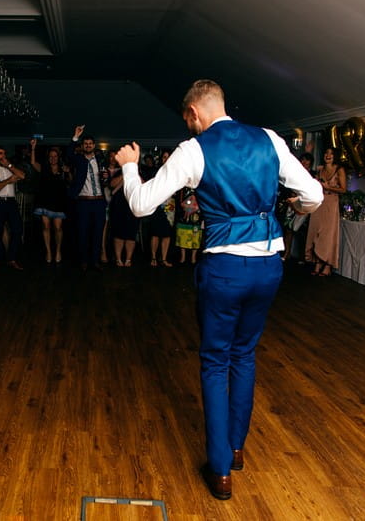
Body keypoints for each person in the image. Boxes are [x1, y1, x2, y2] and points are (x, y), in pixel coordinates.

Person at [118, 79, 323, 500]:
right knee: (244, 355)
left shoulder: (194, 149)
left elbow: (141, 205)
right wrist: (289, 210)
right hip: (268, 265)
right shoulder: (269, 139)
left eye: (188, 120)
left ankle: (220, 469)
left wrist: (128, 166)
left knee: (215, 362)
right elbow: (314, 195)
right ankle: (235, 448)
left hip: (225, 268)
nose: (191, 127)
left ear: (194, 113)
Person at [67, 125, 107, 271]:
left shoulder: (101, 160)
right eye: (85, 144)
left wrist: (106, 177)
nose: (88, 146)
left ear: (94, 146)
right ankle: (83, 261)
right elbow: (68, 154)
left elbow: (106, 179)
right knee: (82, 232)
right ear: (83, 146)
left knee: (97, 233)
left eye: (90, 144)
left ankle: (95, 261)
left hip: (99, 201)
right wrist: (75, 136)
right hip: (83, 202)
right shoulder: (78, 159)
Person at [304, 147, 346, 276]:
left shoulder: (339, 170)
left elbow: (344, 189)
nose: (328, 155)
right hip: (320, 202)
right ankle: (317, 261)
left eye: (331, 154)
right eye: (326, 153)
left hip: (331, 203)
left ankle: (327, 264)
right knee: (315, 231)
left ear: (335, 156)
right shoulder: (320, 169)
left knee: (327, 234)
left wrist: (329, 187)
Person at [30, 139, 71, 264]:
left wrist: (68, 172)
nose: (53, 158)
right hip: (45, 201)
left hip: (58, 202)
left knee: (58, 227)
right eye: (51, 156)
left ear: (58, 157)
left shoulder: (63, 169)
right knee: (46, 226)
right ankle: (48, 251)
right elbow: (32, 163)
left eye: (55, 156)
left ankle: (58, 250)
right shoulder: (43, 168)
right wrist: (33, 148)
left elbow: (70, 181)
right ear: (48, 158)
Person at [0, 146, 25, 269]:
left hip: (11, 202)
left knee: (17, 229)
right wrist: (8, 181)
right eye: (0, 153)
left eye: (4, 153)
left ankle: (11, 258)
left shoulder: (10, 169)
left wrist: (9, 165)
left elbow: (22, 176)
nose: (3, 155)